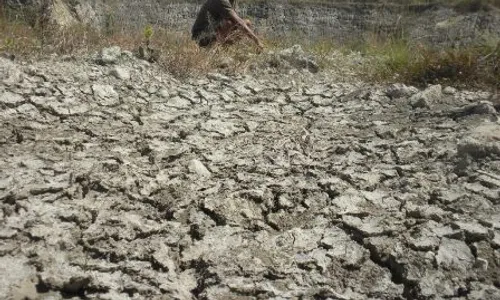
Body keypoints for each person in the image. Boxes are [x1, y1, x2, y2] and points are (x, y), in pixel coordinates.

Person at [191, 0, 264, 49]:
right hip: (201, 37)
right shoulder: (222, 1)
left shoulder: (232, 1)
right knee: (229, 23)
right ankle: (215, 48)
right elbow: (239, 22)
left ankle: (224, 47)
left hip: (212, 32)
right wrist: (257, 41)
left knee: (246, 22)